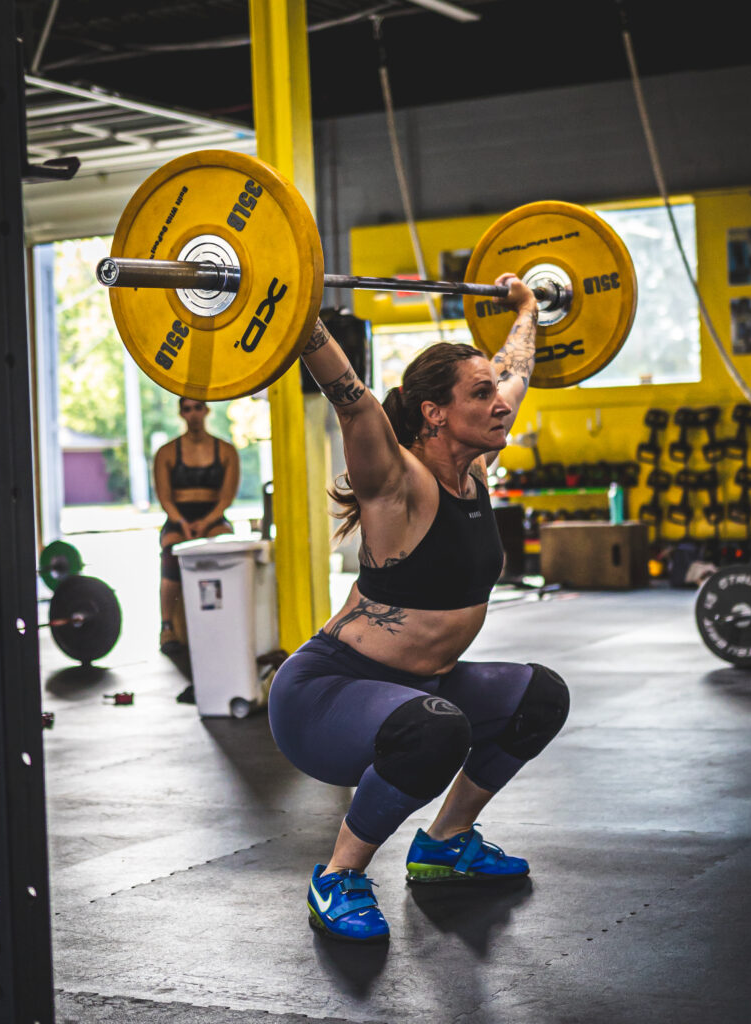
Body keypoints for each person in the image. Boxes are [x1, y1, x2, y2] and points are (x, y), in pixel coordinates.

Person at [268, 274, 570, 944]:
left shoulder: (475, 469)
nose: (501, 402)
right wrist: (303, 322)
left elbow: (517, 367)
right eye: (481, 393)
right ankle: (338, 877)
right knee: (437, 729)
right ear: (434, 412)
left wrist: (527, 311)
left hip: (416, 689)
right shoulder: (398, 485)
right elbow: (351, 403)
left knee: (537, 696)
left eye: (495, 390)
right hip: (326, 696)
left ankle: (444, 842)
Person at [153, 397, 240, 654]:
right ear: (181, 413)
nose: (193, 414)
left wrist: (206, 522)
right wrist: (182, 522)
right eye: (187, 409)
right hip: (179, 517)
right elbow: (165, 497)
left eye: (197, 408)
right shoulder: (167, 452)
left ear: (206, 410)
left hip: (212, 517)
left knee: (223, 544)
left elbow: (226, 498)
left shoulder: (225, 451)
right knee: (170, 550)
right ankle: (166, 625)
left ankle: (224, 618)